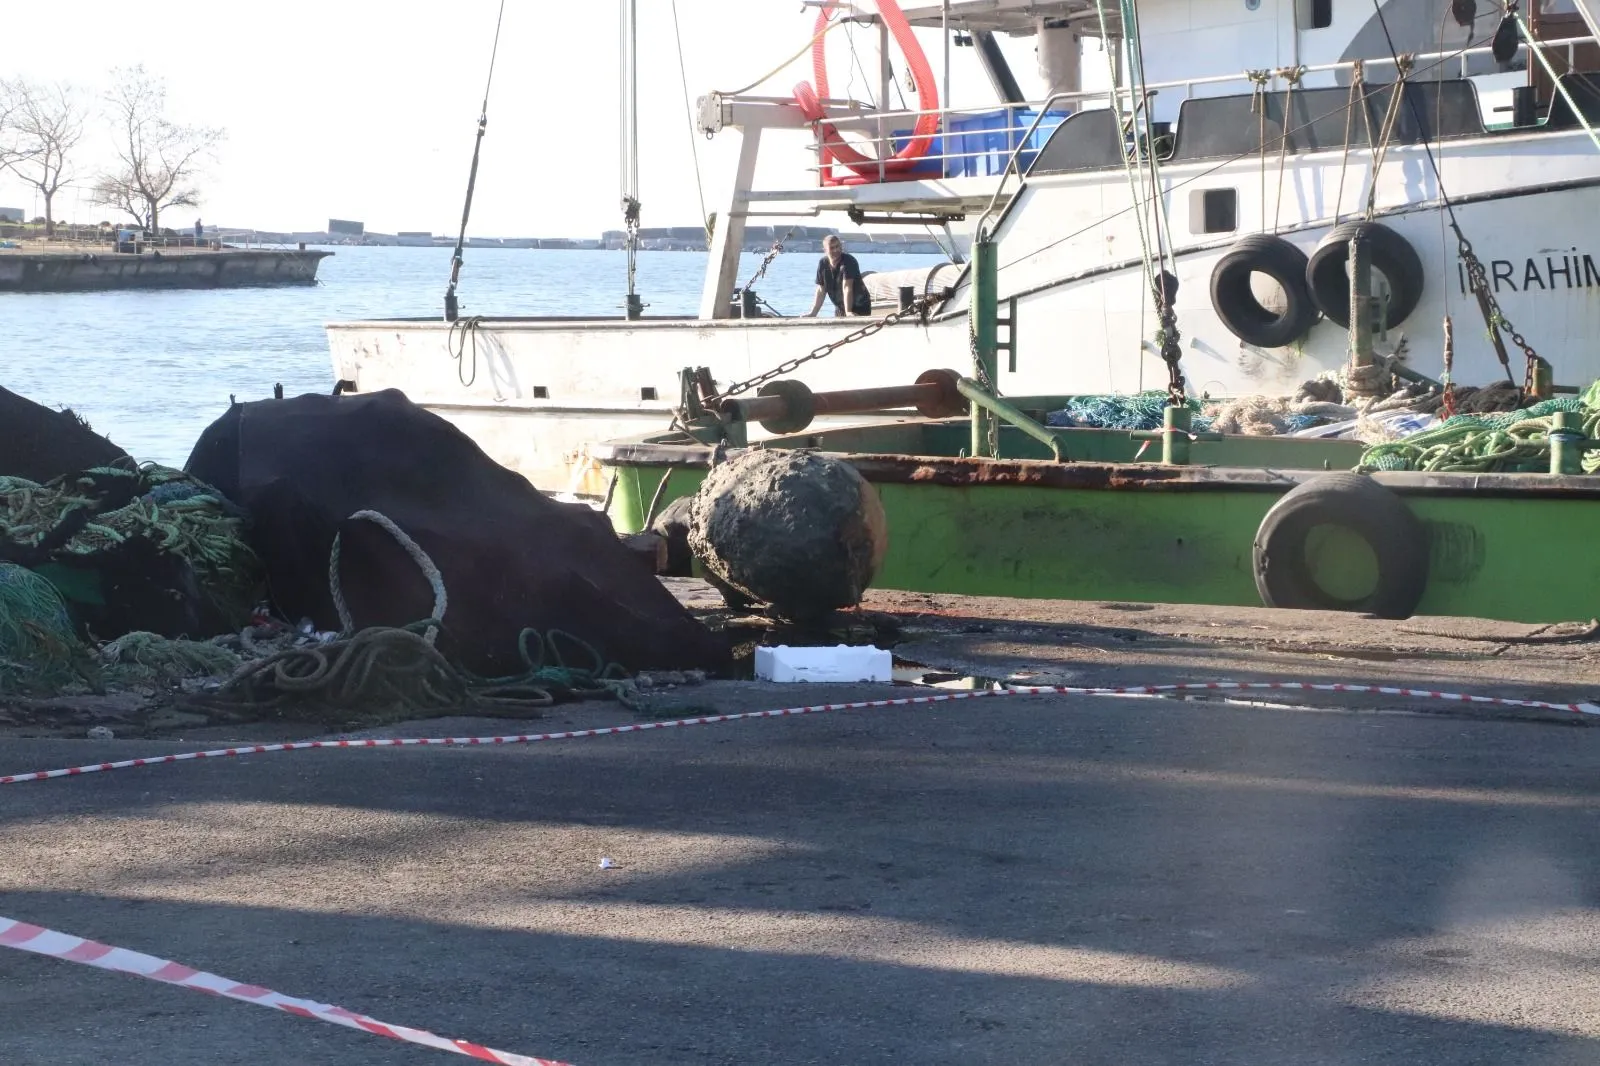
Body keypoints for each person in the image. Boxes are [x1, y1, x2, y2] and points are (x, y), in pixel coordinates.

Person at [806, 235, 872, 317]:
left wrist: (848, 311)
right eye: (832, 248)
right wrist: (813, 313)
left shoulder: (848, 261)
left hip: (860, 306)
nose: (836, 250)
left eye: (837, 246)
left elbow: (847, 287)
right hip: (840, 307)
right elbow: (821, 290)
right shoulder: (823, 263)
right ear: (825, 250)